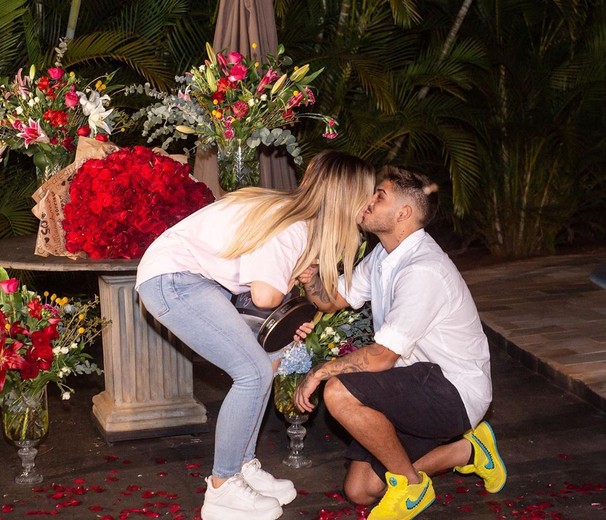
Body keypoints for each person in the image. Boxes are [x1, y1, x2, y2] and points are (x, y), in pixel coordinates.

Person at [135, 150, 376, 520]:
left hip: (187, 278)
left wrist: (292, 292)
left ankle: (242, 466)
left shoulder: (294, 216)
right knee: (253, 374)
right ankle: (222, 489)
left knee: (262, 363)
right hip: (175, 280)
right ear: (347, 198)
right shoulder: (293, 227)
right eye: (367, 196)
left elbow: (257, 296)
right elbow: (264, 296)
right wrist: (296, 278)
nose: (370, 205)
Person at [294, 166, 507, 520]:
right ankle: (469, 451)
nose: (368, 201)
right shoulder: (384, 255)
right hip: (413, 382)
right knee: (360, 491)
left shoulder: (422, 269)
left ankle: (411, 485)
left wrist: (318, 372)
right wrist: (312, 278)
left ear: (403, 214)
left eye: (379, 196)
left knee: (338, 390)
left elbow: (381, 356)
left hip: (451, 389)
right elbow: (334, 300)